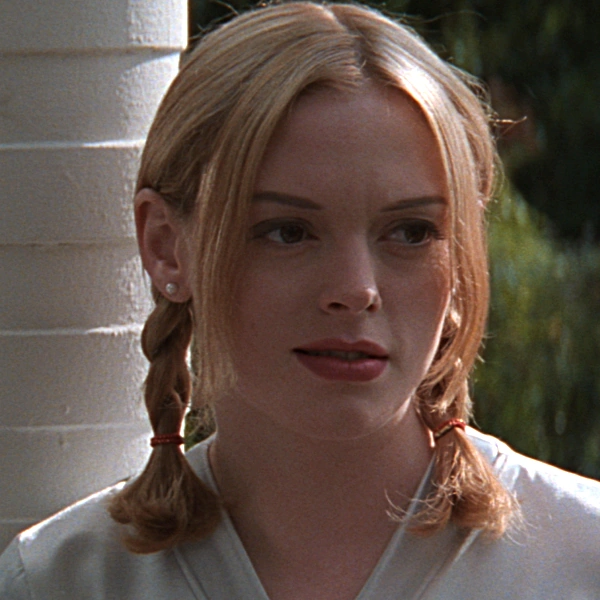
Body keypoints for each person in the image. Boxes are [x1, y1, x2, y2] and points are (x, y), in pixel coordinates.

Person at [1, 2, 599, 598]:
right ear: (166, 246)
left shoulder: (581, 559)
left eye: (411, 232)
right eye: (288, 232)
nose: (356, 290)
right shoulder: (63, 581)